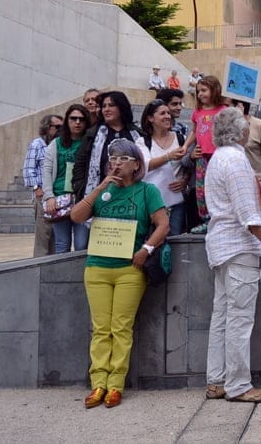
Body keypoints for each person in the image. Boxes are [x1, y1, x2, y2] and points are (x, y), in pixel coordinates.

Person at [71, 138, 169, 409]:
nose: (116, 162)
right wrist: (100, 188)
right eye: (112, 158)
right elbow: (77, 216)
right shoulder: (103, 191)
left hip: (129, 269)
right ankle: (98, 384)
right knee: (101, 328)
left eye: (123, 158)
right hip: (98, 266)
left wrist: (147, 249)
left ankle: (115, 385)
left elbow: (163, 225)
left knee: (121, 327)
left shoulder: (147, 191)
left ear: (137, 164)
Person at [204, 108, 261, 404]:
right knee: (239, 319)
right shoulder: (237, 161)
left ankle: (216, 381)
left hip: (221, 246)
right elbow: (245, 210)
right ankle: (239, 385)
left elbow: (238, 206)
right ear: (241, 132)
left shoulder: (217, 158)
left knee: (223, 316)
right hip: (239, 247)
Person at [73, 92, 143, 201]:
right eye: (104, 106)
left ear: (121, 107)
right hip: (99, 194)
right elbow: (80, 165)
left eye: (111, 105)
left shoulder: (137, 135)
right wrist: (79, 187)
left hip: (132, 195)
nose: (106, 109)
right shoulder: (92, 134)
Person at [179, 76, 226, 234]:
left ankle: (219, 219)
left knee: (218, 188)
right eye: (198, 91)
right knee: (201, 190)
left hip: (218, 157)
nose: (200, 94)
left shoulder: (223, 111)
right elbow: (194, 131)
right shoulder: (197, 112)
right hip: (201, 158)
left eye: (204, 90)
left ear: (215, 90)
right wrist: (186, 146)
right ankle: (206, 219)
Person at [42, 105, 91, 252]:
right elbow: (47, 170)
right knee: (62, 244)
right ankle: (61, 276)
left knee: (81, 244)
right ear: (67, 121)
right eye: (73, 118)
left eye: (81, 119)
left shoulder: (89, 142)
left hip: (82, 199)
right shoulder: (55, 144)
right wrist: (49, 196)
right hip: (59, 200)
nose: (77, 122)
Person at [138, 99, 188, 237]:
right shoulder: (143, 142)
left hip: (176, 203)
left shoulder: (181, 139)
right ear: (150, 118)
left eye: (168, 113)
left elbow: (189, 165)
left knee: (174, 241)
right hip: (151, 204)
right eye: (162, 113)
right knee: (150, 242)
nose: (167, 116)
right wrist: (168, 156)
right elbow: (145, 165)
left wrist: (185, 180)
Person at [229, 99, 261, 225]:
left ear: (240, 106)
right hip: (234, 190)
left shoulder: (260, 126)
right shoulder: (225, 129)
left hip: (259, 189)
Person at [23, 113, 62, 257]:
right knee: (43, 234)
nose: (60, 129)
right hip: (42, 195)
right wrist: (36, 189)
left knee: (55, 234)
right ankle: (40, 263)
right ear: (47, 127)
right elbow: (28, 168)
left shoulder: (59, 144)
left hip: (56, 195)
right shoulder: (37, 144)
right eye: (57, 126)